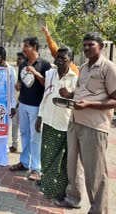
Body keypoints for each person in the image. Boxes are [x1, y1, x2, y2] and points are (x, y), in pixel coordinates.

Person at [54, 32, 116, 214]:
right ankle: (73, 199)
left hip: (94, 126)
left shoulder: (108, 68)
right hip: (75, 121)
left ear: (100, 47)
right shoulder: (83, 67)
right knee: (72, 166)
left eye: (91, 44)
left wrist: (89, 104)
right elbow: (83, 93)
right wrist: (70, 96)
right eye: (85, 44)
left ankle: (98, 210)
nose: (87, 48)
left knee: (95, 172)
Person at [35, 46, 78, 200]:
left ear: (71, 61)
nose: (58, 60)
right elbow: (45, 97)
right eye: (57, 57)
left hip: (64, 123)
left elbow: (79, 101)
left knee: (60, 160)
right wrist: (40, 117)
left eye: (63, 58)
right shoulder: (50, 74)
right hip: (48, 119)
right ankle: (45, 183)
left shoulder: (75, 78)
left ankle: (57, 190)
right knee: (46, 156)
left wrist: (71, 94)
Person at [9, 37, 51, 181]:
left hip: (36, 106)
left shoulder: (45, 64)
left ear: (34, 47)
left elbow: (48, 85)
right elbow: (20, 84)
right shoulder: (23, 64)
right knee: (24, 134)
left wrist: (36, 73)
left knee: (35, 137)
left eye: (26, 46)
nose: (23, 49)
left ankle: (36, 168)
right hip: (24, 104)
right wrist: (17, 87)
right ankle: (24, 162)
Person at [9, 52, 25, 153]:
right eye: (17, 58)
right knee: (14, 125)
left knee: (23, 128)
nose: (17, 60)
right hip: (17, 103)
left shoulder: (26, 71)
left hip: (23, 103)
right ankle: (14, 145)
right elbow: (17, 88)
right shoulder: (17, 71)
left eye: (20, 59)